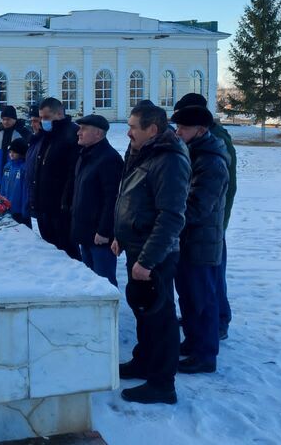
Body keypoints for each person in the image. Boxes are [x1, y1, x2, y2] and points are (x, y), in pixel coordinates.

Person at [112, 100, 190, 404]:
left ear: (152, 129)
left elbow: (171, 216)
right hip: (136, 246)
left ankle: (162, 383)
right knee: (143, 311)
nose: (128, 133)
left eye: (133, 127)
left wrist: (146, 260)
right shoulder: (145, 152)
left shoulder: (169, 160)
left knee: (161, 317)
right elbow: (132, 198)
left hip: (154, 254)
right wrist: (122, 235)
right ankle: (144, 361)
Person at [170, 104, 229, 374]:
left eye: (183, 128)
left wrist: (168, 212)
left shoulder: (211, 161)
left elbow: (197, 206)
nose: (178, 132)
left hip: (201, 240)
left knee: (202, 299)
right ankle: (193, 342)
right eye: (177, 127)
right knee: (188, 296)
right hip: (186, 238)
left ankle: (205, 354)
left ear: (201, 130)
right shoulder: (191, 152)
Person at [70, 114, 123, 286]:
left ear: (98, 134)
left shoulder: (109, 159)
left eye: (84, 129)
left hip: (99, 236)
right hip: (85, 231)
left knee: (104, 282)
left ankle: (108, 314)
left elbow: (113, 198)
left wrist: (104, 231)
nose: (79, 132)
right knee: (90, 282)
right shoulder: (85, 155)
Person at [29, 97, 80, 260]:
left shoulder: (71, 134)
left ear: (59, 113)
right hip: (44, 205)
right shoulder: (47, 134)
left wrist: (66, 204)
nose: (43, 121)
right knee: (50, 252)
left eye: (46, 117)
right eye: (41, 117)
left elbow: (73, 174)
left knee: (66, 252)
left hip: (61, 209)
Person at [0, 105, 31, 192]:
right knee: (1, 201)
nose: (5, 122)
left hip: (17, 176)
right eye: (3, 119)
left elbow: (31, 150)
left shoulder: (23, 132)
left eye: (8, 119)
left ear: (14, 119)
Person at [1, 137, 30, 226]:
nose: (11, 154)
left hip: (20, 210)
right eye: (10, 152)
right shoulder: (8, 166)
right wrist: (1, 201)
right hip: (7, 207)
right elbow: (3, 186)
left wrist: (25, 210)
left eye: (15, 152)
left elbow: (26, 192)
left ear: (22, 153)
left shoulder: (24, 168)